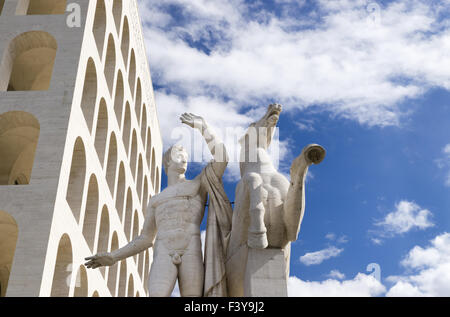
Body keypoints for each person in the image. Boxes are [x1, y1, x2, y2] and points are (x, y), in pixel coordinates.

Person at [84, 113, 231, 297]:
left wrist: (203, 127)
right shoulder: (155, 200)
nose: (185, 158)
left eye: (186, 155)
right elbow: (145, 239)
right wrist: (114, 257)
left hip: (191, 250)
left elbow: (222, 157)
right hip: (163, 251)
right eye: (180, 154)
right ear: (168, 160)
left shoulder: (197, 185)